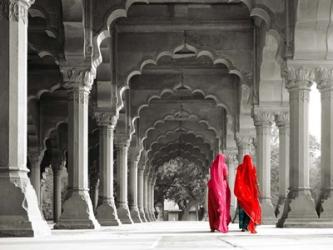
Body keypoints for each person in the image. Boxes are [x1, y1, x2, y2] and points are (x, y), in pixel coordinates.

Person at [234, 154, 261, 233]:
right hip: (251, 192)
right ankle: (249, 225)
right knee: (251, 208)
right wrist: (257, 189)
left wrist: (239, 189)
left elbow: (237, 179)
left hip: (242, 192)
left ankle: (243, 227)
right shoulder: (252, 168)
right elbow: (255, 180)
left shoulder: (240, 167)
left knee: (243, 209)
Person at [207, 154, 231, 233]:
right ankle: (219, 224)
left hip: (212, 188)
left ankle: (213, 226)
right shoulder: (224, 166)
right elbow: (226, 176)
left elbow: (212, 176)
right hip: (221, 188)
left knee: (212, 208)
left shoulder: (213, 165)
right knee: (221, 207)